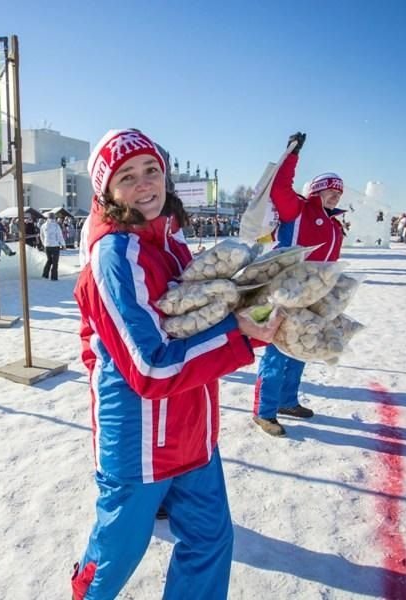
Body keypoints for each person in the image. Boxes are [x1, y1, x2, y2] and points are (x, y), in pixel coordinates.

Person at [70, 129, 279, 600]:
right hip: (139, 443)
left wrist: (249, 309)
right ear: (106, 191)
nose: (145, 184)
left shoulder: (168, 239)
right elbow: (151, 369)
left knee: (209, 543)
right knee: (114, 560)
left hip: (194, 431)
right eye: (127, 176)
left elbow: (192, 323)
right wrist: (238, 335)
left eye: (151, 171)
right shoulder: (114, 256)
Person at [252, 132, 346, 437]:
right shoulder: (298, 210)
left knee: (301, 348)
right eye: (331, 191)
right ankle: (264, 412)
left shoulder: (334, 224)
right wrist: (292, 154)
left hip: (315, 294)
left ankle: (287, 401)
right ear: (316, 191)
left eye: (339, 193)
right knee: (278, 351)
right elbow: (280, 185)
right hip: (287, 291)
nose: (336, 196)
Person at [41, 212, 66, 280]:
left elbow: (42, 236)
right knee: (55, 262)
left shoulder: (43, 226)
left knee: (49, 260)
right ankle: (54, 277)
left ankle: (45, 274)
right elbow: (59, 236)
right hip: (55, 246)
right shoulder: (56, 226)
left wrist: (44, 244)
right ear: (54, 218)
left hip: (47, 246)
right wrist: (63, 245)